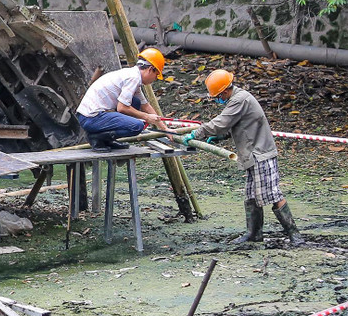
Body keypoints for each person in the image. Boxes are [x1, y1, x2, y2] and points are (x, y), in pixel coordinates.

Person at [181, 69, 304, 246]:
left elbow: (221, 122)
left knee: (273, 194)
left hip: (261, 154)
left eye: (216, 96)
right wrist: (222, 136)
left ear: (224, 91)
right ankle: (253, 234)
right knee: (252, 196)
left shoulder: (240, 99)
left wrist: (197, 133)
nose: (217, 100)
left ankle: (295, 235)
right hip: (252, 155)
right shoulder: (238, 99)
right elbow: (239, 125)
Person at [76, 48, 169, 150]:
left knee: (135, 102)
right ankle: (97, 138)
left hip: (88, 116)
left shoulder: (132, 75)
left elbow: (145, 105)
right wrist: (146, 117)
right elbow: (122, 108)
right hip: (91, 118)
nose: (154, 79)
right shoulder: (133, 78)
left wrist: (166, 129)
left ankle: (107, 140)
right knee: (137, 126)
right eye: (156, 76)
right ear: (150, 69)